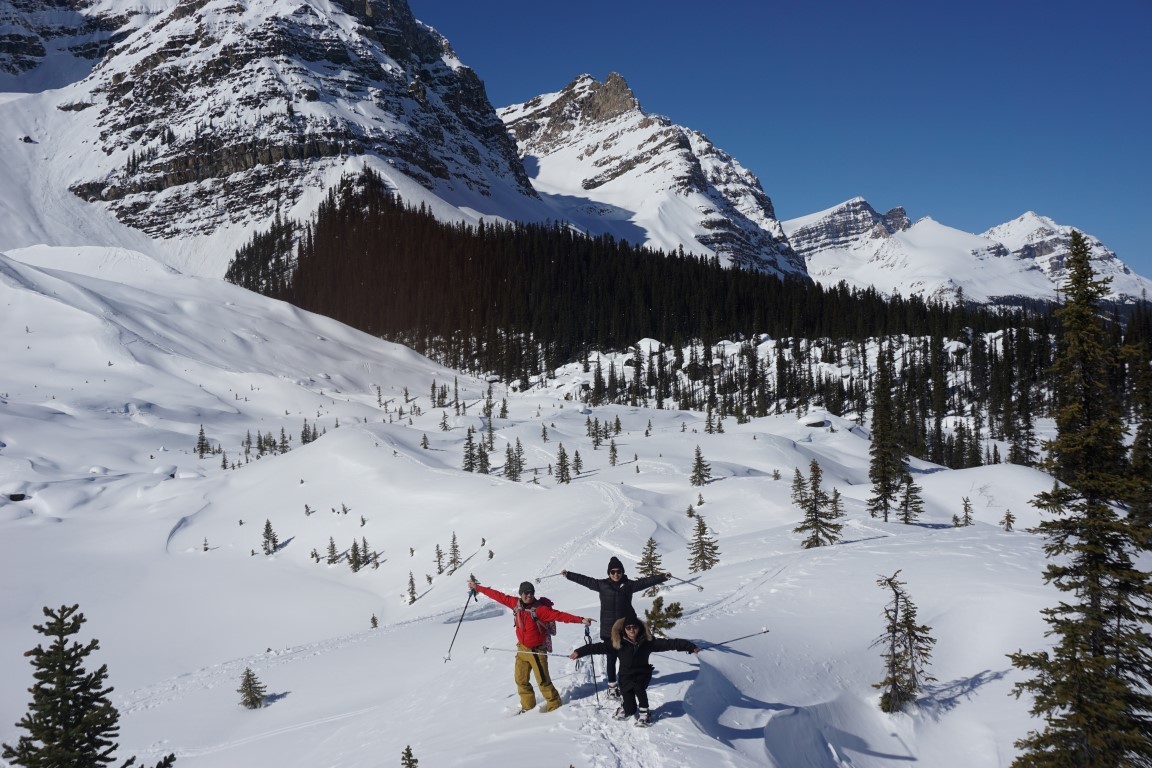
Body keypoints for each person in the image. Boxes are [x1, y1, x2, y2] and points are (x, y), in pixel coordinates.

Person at [468, 577, 592, 713]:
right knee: (520, 680)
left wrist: (581, 620)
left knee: (543, 682)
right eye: (526, 593)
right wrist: (477, 588)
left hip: (537, 651)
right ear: (520, 594)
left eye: (531, 593)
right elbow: (497, 595)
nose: (529, 595)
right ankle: (528, 706)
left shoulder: (540, 610)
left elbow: (559, 616)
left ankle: (555, 707)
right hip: (522, 649)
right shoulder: (515, 603)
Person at [563, 555, 671, 699]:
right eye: (612, 572)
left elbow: (646, 582)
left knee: (626, 660)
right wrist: (569, 575)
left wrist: (663, 577)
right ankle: (612, 686)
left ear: (622, 572)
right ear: (609, 573)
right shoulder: (602, 585)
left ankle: (626, 683)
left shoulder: (629, 586)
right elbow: (585, 580)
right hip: (608, 631)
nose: (615, 574)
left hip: (624, 630)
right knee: (611, 659)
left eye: (618, 572)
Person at [570, 615, 700, 726]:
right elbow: (597, 647)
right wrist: (579, 652)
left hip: (642, 674)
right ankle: (626, 706)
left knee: (639, 688)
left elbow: (671, 644)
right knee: (630, 710)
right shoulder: (618, 643)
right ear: (624, 629)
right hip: (625, 677)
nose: (632, 630)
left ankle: (644, 713)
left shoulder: (648, 642)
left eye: (635, 627)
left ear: (639, 628)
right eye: (628, 628)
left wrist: (690, 647)